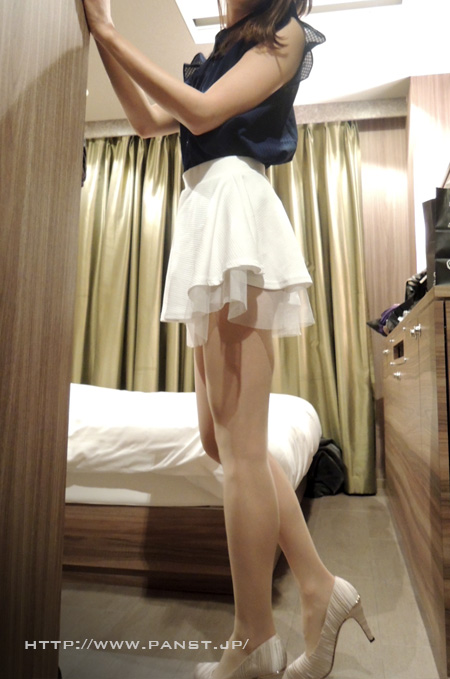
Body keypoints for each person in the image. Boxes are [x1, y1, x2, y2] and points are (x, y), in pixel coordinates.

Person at [81, 1, 375, 678]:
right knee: (221, 441)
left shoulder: (283, 32)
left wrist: (110, 32)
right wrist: (103, 41)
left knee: (239, 449)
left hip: (234, 209)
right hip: (207, 211)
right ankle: (318, 585)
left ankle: (253, 638)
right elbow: (148, 120)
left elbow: (201, 113)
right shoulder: (218, 54)